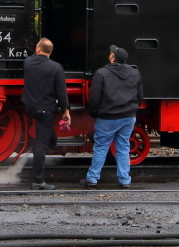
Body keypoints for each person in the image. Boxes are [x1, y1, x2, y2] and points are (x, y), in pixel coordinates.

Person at [81, 45, 144, 189]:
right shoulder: (135, 73)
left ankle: (92, 178)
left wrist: (95, 112)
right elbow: (140, 96)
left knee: (101, 147)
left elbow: (95, 97)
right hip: (128, 116)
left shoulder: (101, 73)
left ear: (112, 58)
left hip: (107, 117)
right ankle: (124, 180)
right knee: (123, 147)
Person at [21, 37, 70, 190]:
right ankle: (38, 181)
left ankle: (52, 139)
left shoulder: (28, 62)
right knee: (41, 146)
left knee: (46, 132)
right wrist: (66, 110)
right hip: (45, 110)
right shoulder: (56, 67)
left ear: (38, 49)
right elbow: (61, 93)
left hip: (29, 107)